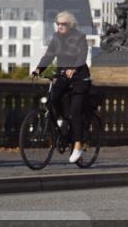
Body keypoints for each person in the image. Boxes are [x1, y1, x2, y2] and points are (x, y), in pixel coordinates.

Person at [31, 11, 90, 164]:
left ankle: (78, 145)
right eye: (58, 24)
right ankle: (62, 119)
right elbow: (49, 56)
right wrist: (38, 70)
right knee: (51, 99)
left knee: (76, 110)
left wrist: (74, 68)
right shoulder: (56, 38)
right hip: (63, 76)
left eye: (63, 24)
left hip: (79, 78)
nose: (60, 26)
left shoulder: (79, 37)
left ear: (70, 25)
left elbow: (82, 56)